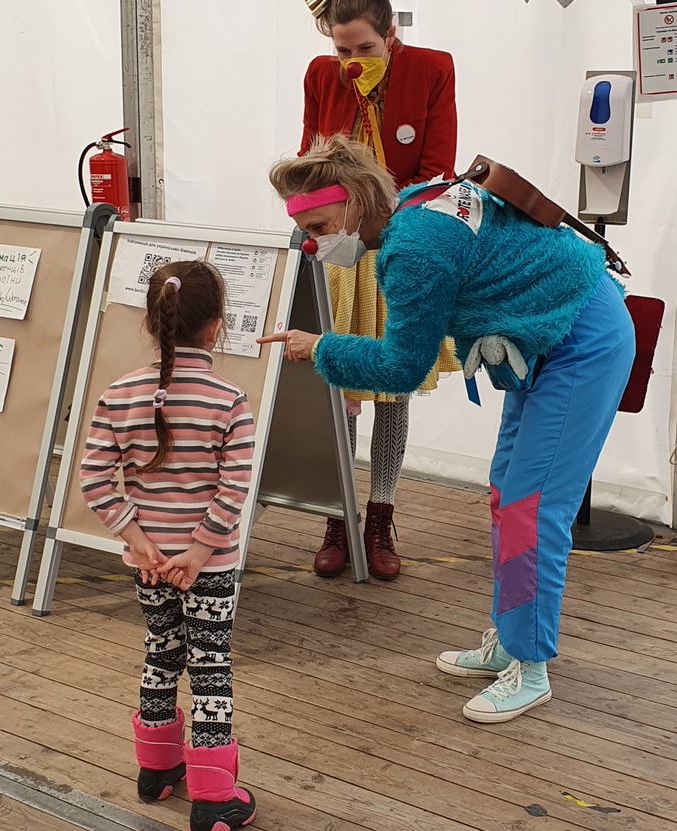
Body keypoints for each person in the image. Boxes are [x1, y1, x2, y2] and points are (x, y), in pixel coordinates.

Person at [260, 136, 635, 723]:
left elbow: (402, 368)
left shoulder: (415, 250)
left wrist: (322, 348)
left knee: (531, 508)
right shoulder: (416, 203)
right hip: (550, 333)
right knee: (505, 494)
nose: (313, 244)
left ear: (356, 201)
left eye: (320, 223)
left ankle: (530, 667)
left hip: (580, 342)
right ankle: (511, 639)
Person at [80, 260, 256, 831]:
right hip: (209, 566)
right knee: (210, 665)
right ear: (216, 327)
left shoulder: (118, 394)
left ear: (153, 324)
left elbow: (93, 478)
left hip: (150, 567)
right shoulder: (229, 401)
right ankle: (212, 795)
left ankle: (156, 770)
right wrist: (200, 553)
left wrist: (137, 540)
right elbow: (234, 489)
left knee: (161, 649)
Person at [300, 0, 458, 582]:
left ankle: (381, 513)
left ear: (390, 35)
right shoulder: (322, 75)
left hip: (399, 247)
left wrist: (385, 227)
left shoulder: (431, 68)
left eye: (364, 47)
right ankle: (336, 515)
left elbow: (438, 172)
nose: (352, 60)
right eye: (342, 50)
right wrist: (321, 228)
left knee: (394, 384)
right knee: (339, 385)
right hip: (340, 250)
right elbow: (312, 164)